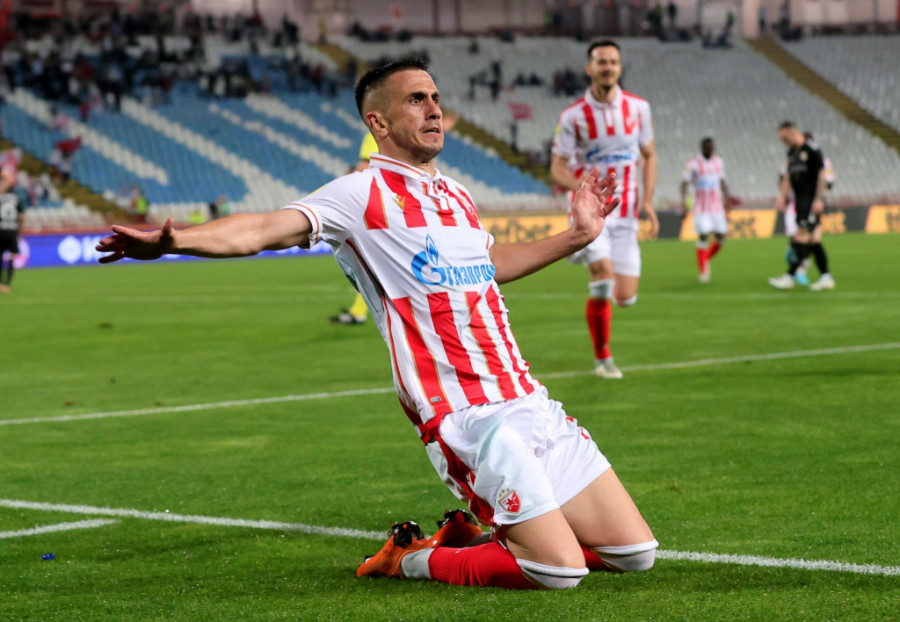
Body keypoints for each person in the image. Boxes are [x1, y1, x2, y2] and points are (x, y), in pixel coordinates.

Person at [96, 58, 657, 590]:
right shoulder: (359, 194)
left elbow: (490, 264)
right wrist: (177, 241)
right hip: (466, 414)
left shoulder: (456, 195)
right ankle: (409, 559)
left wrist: (578, 236)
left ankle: (484, 537)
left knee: (634, 553)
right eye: (416, 100)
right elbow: (263, 229)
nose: (434, 109)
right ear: (379, 123)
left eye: (435, 97)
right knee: (557, 572)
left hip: (526, 397)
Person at [549, 40, 659, 379]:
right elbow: (556, 169)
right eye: (602, 62)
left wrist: (648, 201)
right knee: (602, 277)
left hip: (626, 215)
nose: (608, 67)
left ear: (620, 67)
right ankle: (603, 359)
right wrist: (583, 187)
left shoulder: (639, 109)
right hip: (592, 213)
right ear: (590, 68)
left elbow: (650, 155)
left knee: (624, 296)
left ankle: (596, 277)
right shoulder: (573, 116)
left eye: (613, 61)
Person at [769, 122, 834, 291]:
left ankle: (789, 277)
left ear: (792, 132)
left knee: (800, 238)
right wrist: (782, 196)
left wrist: (818, 199)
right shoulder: (791, 153)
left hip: (811, 202)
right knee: (813, 241)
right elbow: (787, 177)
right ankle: (826, 277)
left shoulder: (812, 149)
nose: (783, 141)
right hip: (800, 202)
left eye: (784, 137)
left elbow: (822, 175)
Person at [680, 137, 739, 283]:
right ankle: (703, 271)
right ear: (703, 148)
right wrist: (683, 203)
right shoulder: (693, 164)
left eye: (712, 147)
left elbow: (722, 181)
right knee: (704, 235)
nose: (711, 149)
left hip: (717, 206)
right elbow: (684, 184)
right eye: (709, 147)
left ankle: (704, 259)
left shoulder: (718, 162)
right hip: (701, 207)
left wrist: (728, 199)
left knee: (721, 237)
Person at [0, 189, 24, 293]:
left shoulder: (0, 198)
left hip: (1, 230)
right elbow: (21, 216)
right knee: (12, 257)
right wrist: (19, 230)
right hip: (12, 230)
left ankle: (0, 283)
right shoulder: (16, 199)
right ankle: (7, 284)